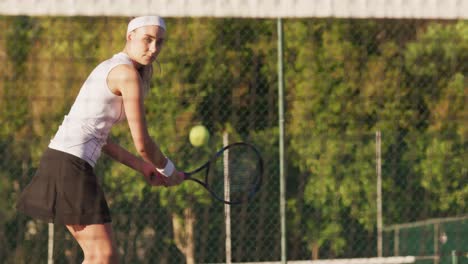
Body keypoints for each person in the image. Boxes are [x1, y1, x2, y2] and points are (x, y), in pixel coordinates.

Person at [16, 15, 184, 264]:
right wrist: (168, 169)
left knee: (101, 256)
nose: (153, 48)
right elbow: (143, 143)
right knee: (102, 256)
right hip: (69, 164)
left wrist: (142, 166)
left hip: (61, 162)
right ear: (130, 37)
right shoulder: (126, 75)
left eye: (159, 42)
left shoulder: (112, 67)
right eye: (147, 40)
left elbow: (102, 140)